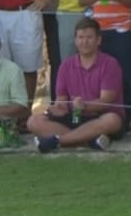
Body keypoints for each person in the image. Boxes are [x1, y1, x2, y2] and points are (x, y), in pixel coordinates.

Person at [28, 17, 124, 152]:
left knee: (112, 120)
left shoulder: (110, 64)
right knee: (33, 122)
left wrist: (84, 105)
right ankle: (89, 140)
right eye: (81, 37)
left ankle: (58, 140)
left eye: (89, 37)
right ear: (75, 40)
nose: (84, 42)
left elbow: (107, 101)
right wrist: (59, 108)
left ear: (98, 40)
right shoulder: (66, 65)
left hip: (99, 116)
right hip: (73, 116)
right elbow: (61, 99)